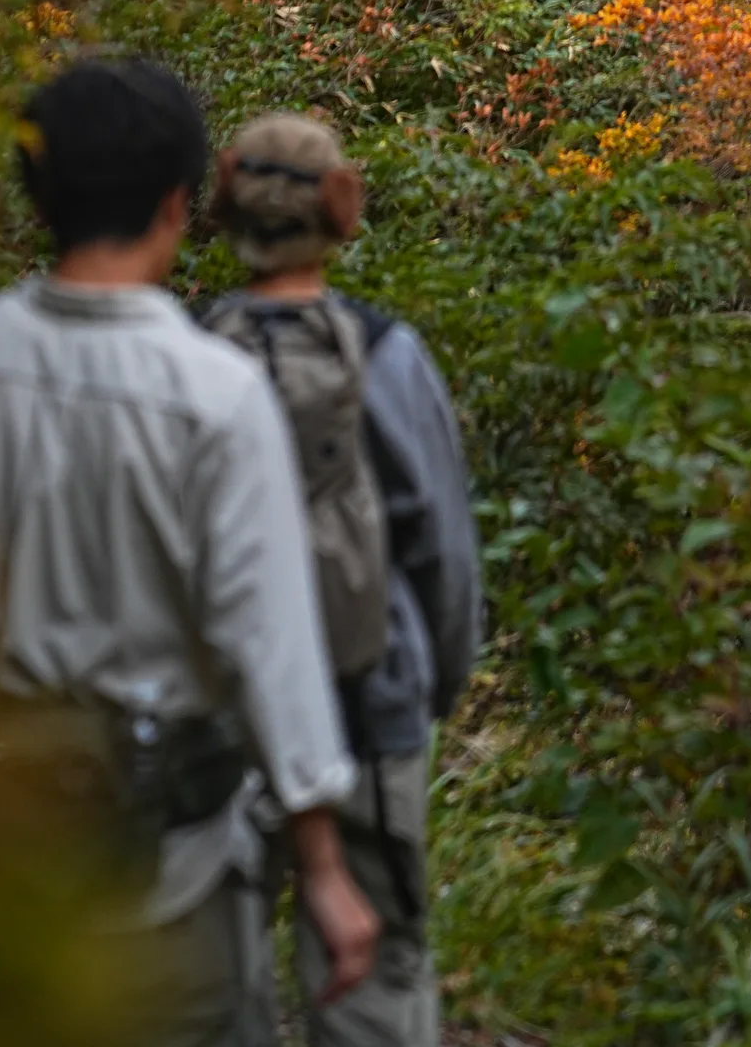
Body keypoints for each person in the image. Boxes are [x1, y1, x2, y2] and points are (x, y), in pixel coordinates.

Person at [0, 57, 379, 1047]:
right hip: (169, 870)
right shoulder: (213, 394)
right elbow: (268, 640)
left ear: (36, 193)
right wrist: (323, 867)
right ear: (180, 201)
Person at [204, 112, 482, 1047]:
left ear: (222, 201)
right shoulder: (386, 355)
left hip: (222, 722)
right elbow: (441, 548)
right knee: (378, 979)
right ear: (341, 206)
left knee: (216, 989)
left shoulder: (191, 355)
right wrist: (435, 684)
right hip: (371, 704)